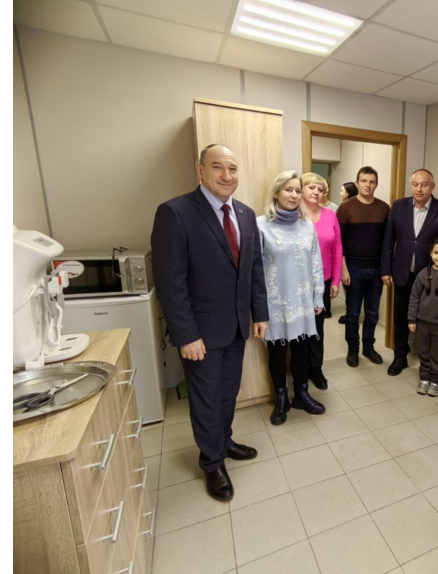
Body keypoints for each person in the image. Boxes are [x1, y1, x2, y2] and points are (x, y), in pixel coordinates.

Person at [150, 144, 268, 502]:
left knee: (228, 392)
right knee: (206, 399)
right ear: (200, 169)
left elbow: (254, 268)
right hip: (199, 332)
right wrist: (186, 335)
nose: (226, 175)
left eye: (233, 168)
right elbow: (170, 282)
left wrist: (260, 313)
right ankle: (212, 462)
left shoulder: (245, 214)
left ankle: (224, 441)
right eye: (218, 167)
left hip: (236, 326)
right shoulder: (176, 212)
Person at [256, 171, 327, 425]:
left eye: (298, 190)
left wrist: (318, 297)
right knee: (277, 352)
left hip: (302, 300)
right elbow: (255, 270)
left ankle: (302, 394)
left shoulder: (307, 225)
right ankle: (281, 398)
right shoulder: (260, 225)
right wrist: (258, 308)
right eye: (288, 189)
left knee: (301, 350)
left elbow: (316, 262)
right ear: (276, 192)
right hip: (275, 302)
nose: (294, 195)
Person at [381, 169, 438, 376]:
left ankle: (431, 362)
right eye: (415, 184)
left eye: (424, 184)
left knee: (429, 318)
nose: (419, 189)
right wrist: (386, 269)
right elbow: (389, 240)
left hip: (433, 278)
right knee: (400, 316)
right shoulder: (398, 206)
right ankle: (400, 356)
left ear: (432, 186)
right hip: (402, 273)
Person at [336, 167, 390, 367]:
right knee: (352, 313)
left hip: (376, 270)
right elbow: (339, 242)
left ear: (376, 184)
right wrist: (343, 269)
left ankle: (368, 347)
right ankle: (353, 349)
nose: (368, 185)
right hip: (354, 268)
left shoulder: (384, 208)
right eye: (364, 181)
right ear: (357, 183)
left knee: (373, 313)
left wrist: (385, 269)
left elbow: (387, 242)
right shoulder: (345, 208)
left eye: (372, 181)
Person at [301, 172, 342, 389]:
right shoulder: (294, 215)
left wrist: (335, 280)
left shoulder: (330, 215)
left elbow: (337, 248)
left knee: (317, 328)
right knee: (299, 327)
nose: (317, 192)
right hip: (297, 283)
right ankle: (298, 368)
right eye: (311, 187)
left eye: (320, 189)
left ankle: (315, 369)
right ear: (301, 189)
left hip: (322, 282)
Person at [408, 237, 438, 396]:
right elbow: (414, 297)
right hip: (423, 322)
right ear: (430, 253)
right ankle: (424, 378)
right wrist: (412, 319)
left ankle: (436, 380)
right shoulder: (423, 274)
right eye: (436, 252)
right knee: (423, 351)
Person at [336, 181, 357, 323]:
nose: (340, 193)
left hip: (349, 256)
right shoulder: (344, 208)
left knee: (350, 288)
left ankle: (351, 313)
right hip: (345, 255)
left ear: (349, 193)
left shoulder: (347, 208)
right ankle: (350, 312)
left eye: (342, 190)